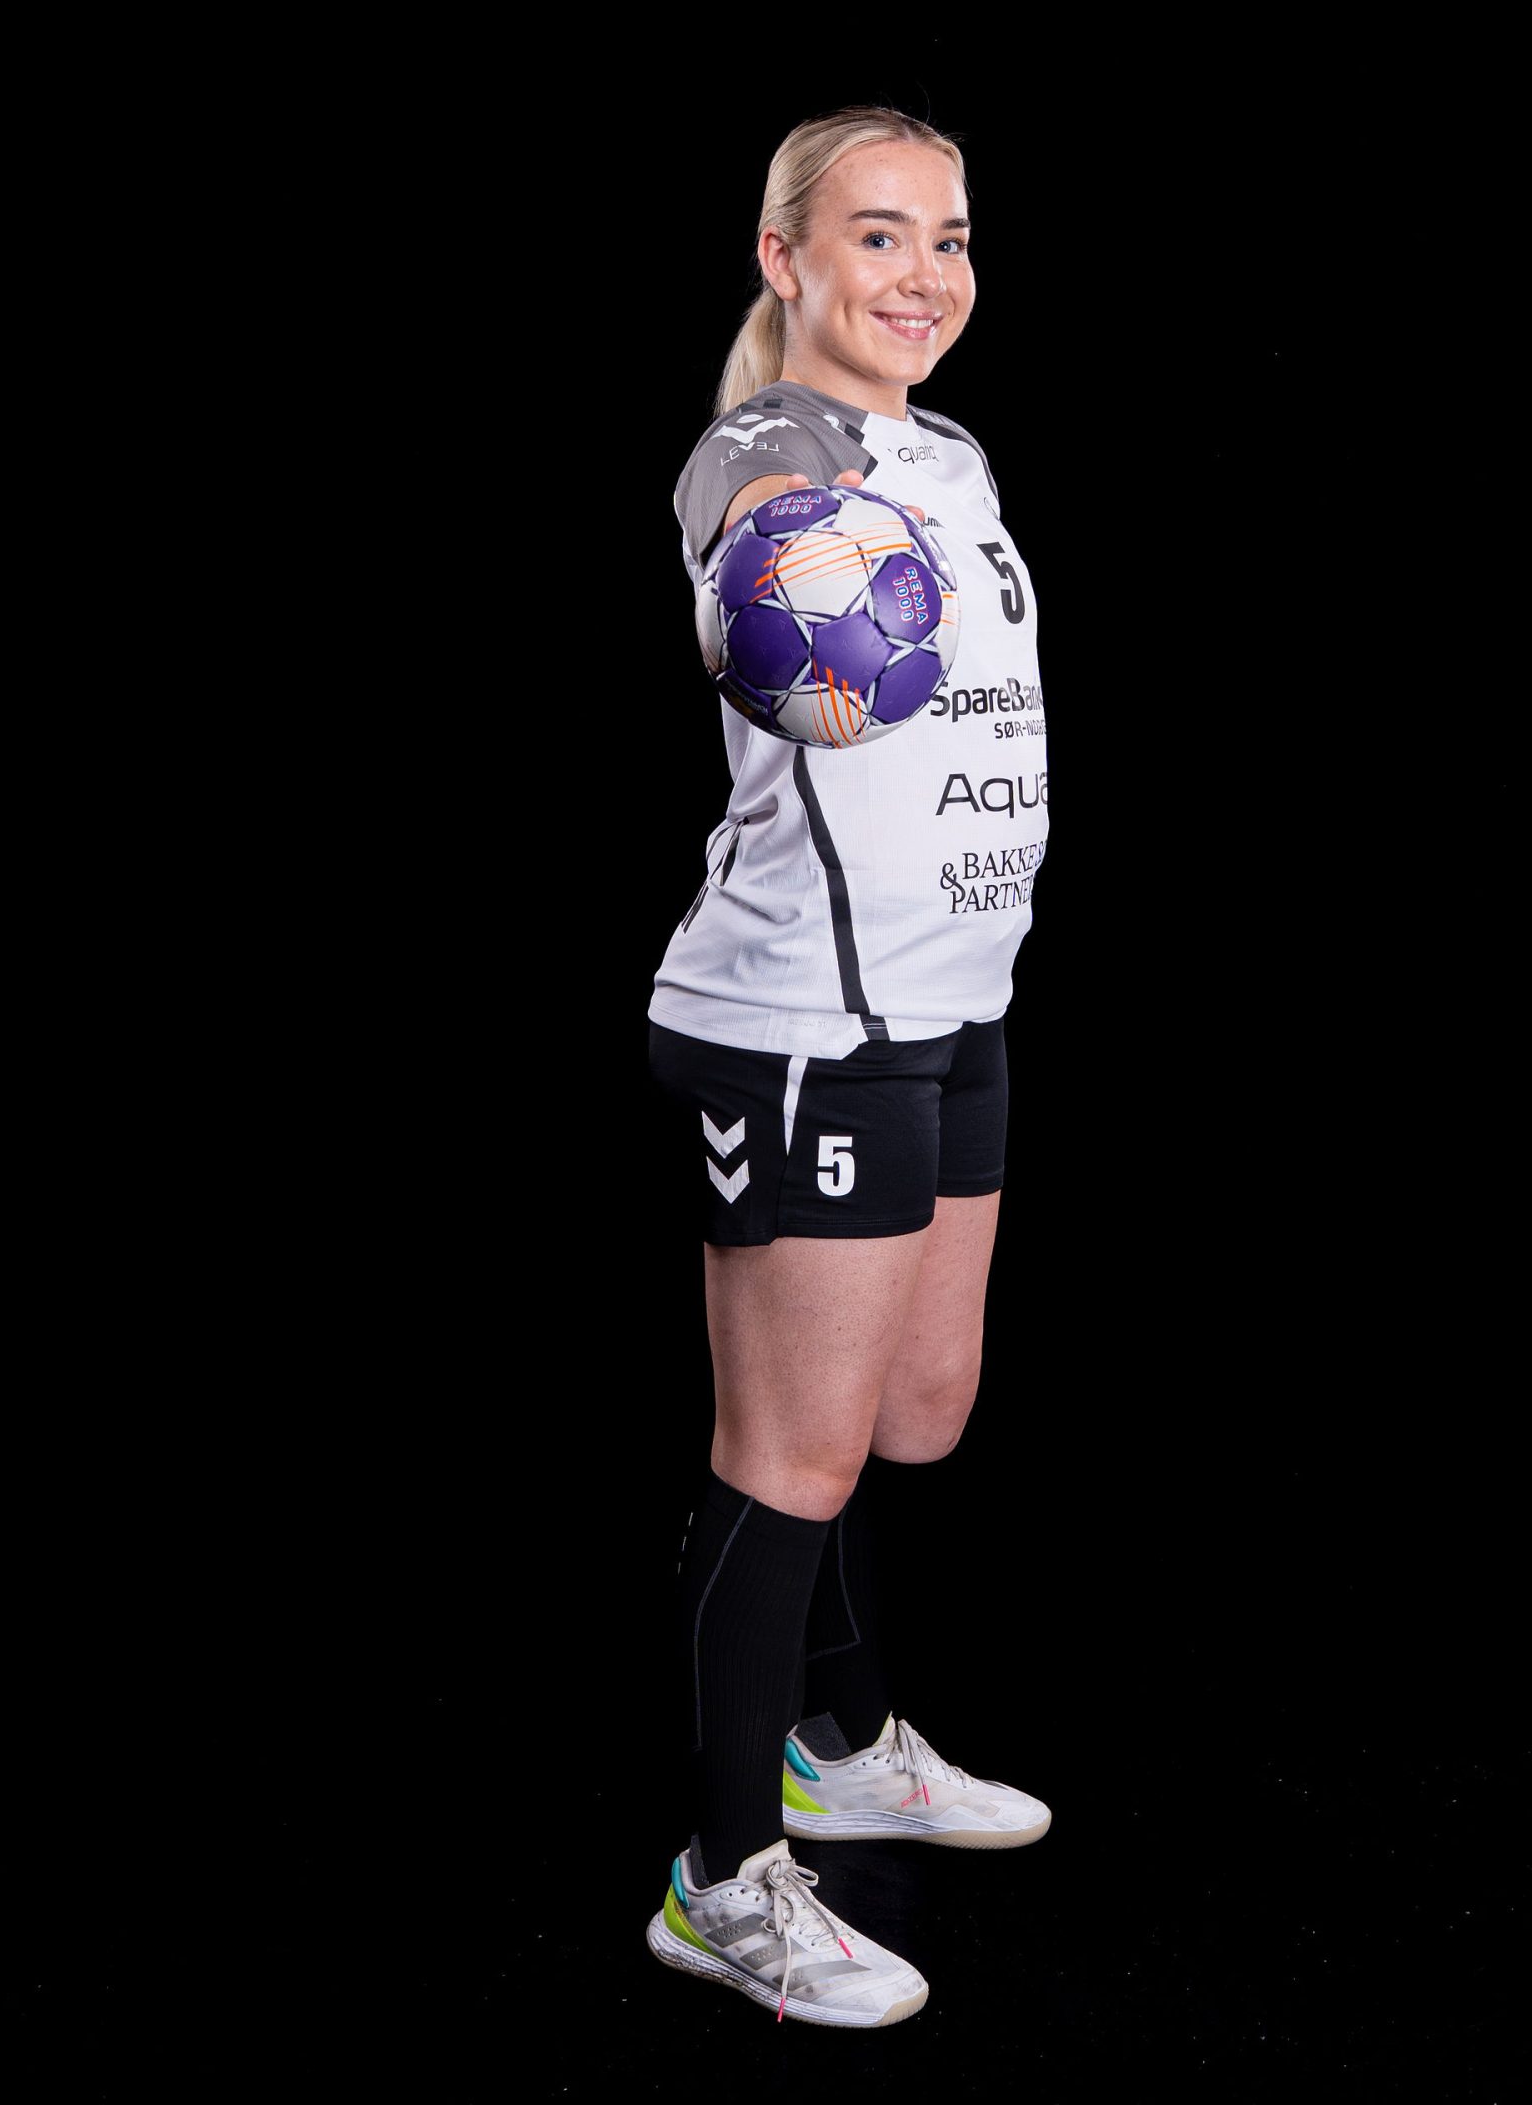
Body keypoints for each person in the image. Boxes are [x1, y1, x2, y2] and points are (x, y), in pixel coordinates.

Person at [643, 107, 1051, 2030]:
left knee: (918, 1409)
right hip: (804, 1024)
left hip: (955, 1001)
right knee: (790, 1453)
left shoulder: (949, 455)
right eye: (877, 235)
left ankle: (847, 1743)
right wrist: (791, 569)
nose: (922, 274)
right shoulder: (767, 458)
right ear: (784, 255)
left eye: (948, 239)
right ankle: (727, 1878)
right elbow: (757, 555)